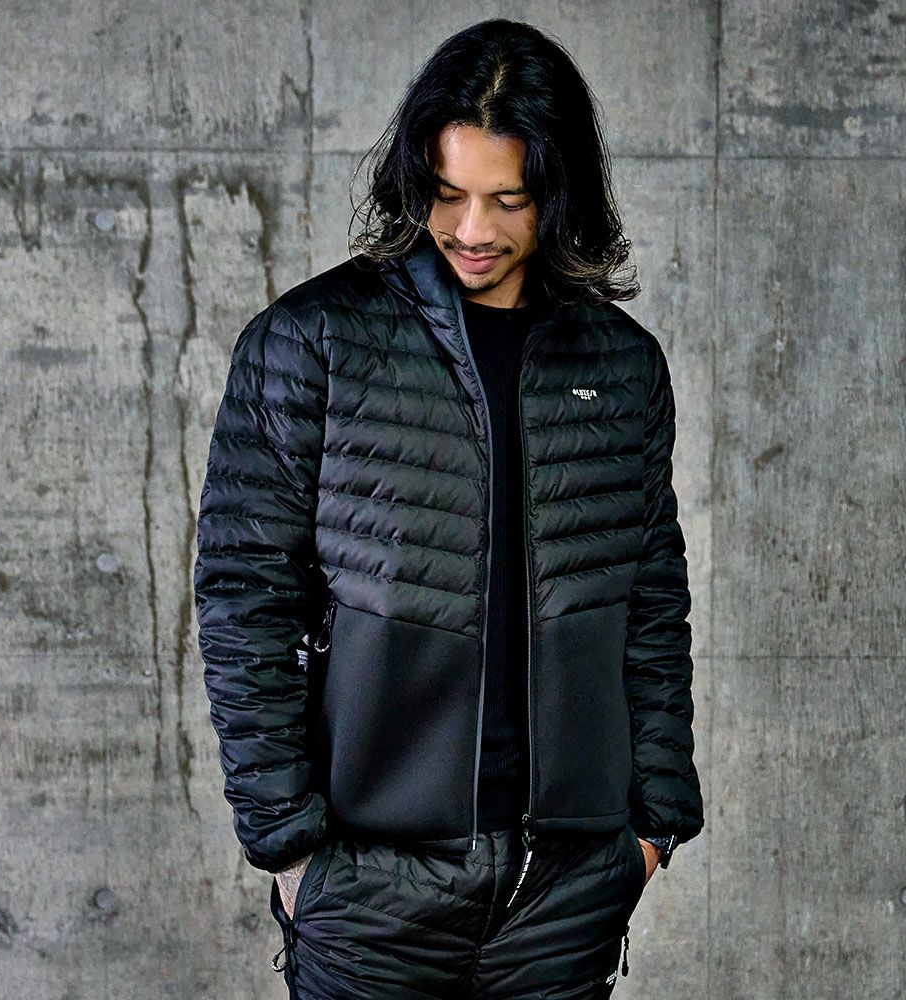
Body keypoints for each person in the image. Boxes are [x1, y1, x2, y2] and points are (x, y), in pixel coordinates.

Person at [194, 17, 704, 999]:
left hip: (565, 888)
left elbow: (651, 600)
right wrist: (290, 848)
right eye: (446, 193)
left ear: (559, 193)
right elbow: (243, 596)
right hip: (369, 883)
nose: (472, 230)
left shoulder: (621, 364)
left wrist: (653, 827)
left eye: (507, 200)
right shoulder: (311, 341)